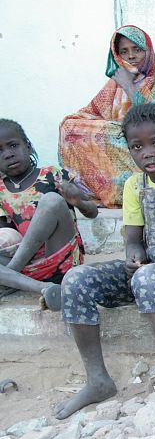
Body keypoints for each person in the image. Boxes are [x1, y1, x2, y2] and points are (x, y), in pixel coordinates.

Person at [54, 104, 155, 420]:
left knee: (149, 278)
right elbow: (133, 238)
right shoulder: (135, 186)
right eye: (137, 146)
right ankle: (97, 379)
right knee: (76, 279)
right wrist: (134, 257)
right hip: (150, 274)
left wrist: (152, 268)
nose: (148, 153)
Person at [58, 25, 155, 208]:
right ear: (117, 55)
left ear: (148, 50)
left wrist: (129, 87)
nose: (131, 56)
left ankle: (130, 189)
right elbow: (90, 112)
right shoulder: (116, 82)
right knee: (69, 128)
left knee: (129, 137)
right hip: (120, 140)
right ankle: (94, 193)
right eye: (124, 51)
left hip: (151, 142)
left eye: (137, 50)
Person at [0, 120, 97, 309]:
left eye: (13, 145)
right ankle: (44, 288)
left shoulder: (53, 174)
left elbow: (92, 212)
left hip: (61, 259)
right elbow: (7, 237)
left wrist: (77, 201)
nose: (8, 154)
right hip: (29, 269)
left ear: (28, 146)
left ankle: (8, 279)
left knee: (51, 201)